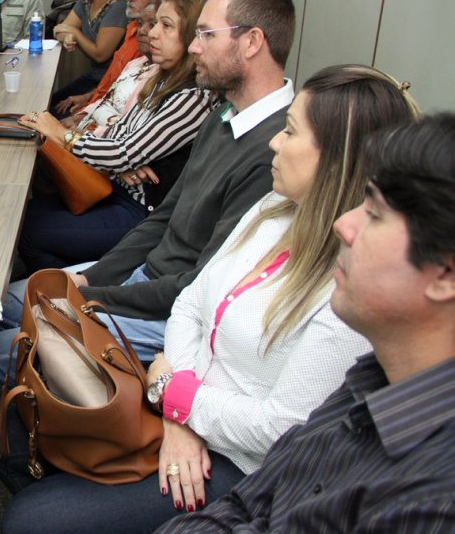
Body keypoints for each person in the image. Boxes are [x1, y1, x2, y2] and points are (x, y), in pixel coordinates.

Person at [0, 63, 419, 534]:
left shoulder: (350, 284)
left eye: (292, 133)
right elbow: (193, 305)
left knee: (30, 519)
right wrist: (178, 411)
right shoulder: (273, 210)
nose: (275, 141)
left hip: (241, 464)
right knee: (21, 418)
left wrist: (175, 396)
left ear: (337, 160)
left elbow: (283, 428)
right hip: (185, 406)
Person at [0, 0, 297, 388]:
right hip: (144, 279)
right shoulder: (225, 117)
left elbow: (199, 288)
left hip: (173, 312)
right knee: (2, 299)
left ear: (252, 41)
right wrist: (90, 278)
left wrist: (89, 299)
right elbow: (163, 218)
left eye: (205, 34)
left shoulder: (277, 152)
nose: (193, 46)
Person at [157, 112, 455, 533]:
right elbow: (248, 505)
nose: (344, 225)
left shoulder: (433, 503)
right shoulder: (367, 380)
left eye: (375, 213)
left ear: (444, 274)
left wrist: (174, 392)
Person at [17, 0, 217, 273]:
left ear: (192, 39)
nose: (153, 34)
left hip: (141, 216)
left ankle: (81, 292)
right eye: (155, 24)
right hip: (114, 188)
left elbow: (122, 152)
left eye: (166, 26)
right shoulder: (159, 79)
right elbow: (118, 139)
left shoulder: (193, 97)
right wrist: (121, 164)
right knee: (27, 212)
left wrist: (61, 133)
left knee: (29, 233)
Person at [54, 0, 171, 116]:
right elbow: (115, 85)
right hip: (96, 104)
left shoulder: (151, 43)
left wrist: (85, 114)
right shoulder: (133, 27)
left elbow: (124, 104)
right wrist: (87, 98)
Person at [49, 0, 130, 110]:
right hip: (94, 75)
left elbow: (100, 54)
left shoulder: (118, 7)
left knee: (58, 110)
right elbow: (59, 29)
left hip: (111, 80)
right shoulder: (86, 1)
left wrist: (75, 33)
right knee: (51, 103)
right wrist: (67, 37)